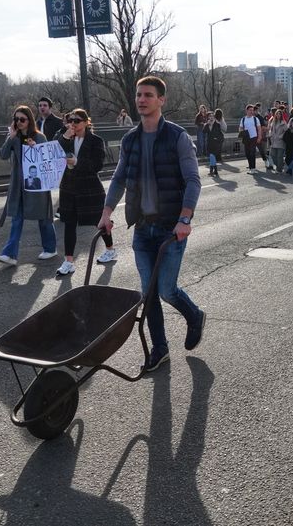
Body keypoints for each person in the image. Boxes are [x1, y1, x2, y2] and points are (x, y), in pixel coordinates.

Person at [98, 75, 205, 370]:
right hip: (143, 229)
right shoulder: (130, 139)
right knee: (148, 293)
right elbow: (119, 178)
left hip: (171, 228)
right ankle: (160, 349)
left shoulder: (177, 137)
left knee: (166, 290)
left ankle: (194, 315)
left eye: (148, 95)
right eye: (138, 95)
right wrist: (107, 212)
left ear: (161, 100)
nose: (141, 100)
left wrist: (185, 218)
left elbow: (193, 181)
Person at [54, 108, 117, 276]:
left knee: (100, 221)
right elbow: (52, 151)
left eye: (77, 121)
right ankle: (69, 261)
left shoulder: (95, 140)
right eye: (70, 120)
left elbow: (97, 165)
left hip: (89, 189)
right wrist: (65, 136)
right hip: (68, 188)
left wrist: (77, 162)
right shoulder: (64, 136)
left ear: (86, 122)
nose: (72, 124)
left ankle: (110, 249)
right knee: (69, 223)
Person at [0, 105, 56, 266]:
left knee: (43, 217)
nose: (19, 122)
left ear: (29, 120)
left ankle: (50, 248)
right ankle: (10, 254)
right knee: (17, 218)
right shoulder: (14, 137)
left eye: (22, 119)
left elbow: (47, 159)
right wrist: (11, 137)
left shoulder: (39, 137)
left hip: (36, 185)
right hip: (18, 185)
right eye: (16, 119)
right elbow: (3, 155)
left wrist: (35, 148)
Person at [239, 104, 262, 174]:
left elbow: (259, 128)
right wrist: (241, 133)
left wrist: (259, 137)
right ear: (246, 111)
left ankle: (253, 168)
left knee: (252, 153)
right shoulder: (243, 119)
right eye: (250, 110)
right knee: (247, 153)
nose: (252, 112)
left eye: (252, 110)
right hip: (246, 138)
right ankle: (250, 167)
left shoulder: (256, 119)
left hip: (254, 137)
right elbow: (240, 128)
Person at [204, 109, 226, 176]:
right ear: (208, 118)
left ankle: (212, 171)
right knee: (212, 157)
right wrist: (206, 125)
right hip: (209, 143)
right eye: (210, 116)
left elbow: (220, 134)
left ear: (214, 117)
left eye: (212, 116)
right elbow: (204, 132)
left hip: (215, 143)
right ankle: (215, 171)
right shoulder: (207, 125)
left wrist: (217, 138)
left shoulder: (217, 124)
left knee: (212, 156)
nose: (211, 118)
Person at [268, 109, 288, 174]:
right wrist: (270, 134)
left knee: (279, 156)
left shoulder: (283, 122)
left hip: (281, 141)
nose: (278, 115)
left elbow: (286, 131)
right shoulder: (273, 122)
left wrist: (281, 136)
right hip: (273, 141)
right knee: (273, 155)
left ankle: (279, 169)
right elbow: (270, 129)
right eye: (277, 114)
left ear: (281, 115)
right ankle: (280, 166)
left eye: (279, 114)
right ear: (275, 115)